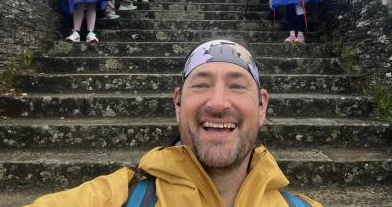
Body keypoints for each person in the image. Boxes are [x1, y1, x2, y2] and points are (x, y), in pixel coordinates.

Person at [25, 39, 322, 207]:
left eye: (237, 85)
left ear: (262, 106)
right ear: (177, 103)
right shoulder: (114, 198)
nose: (218, 103)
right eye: (201, 84)